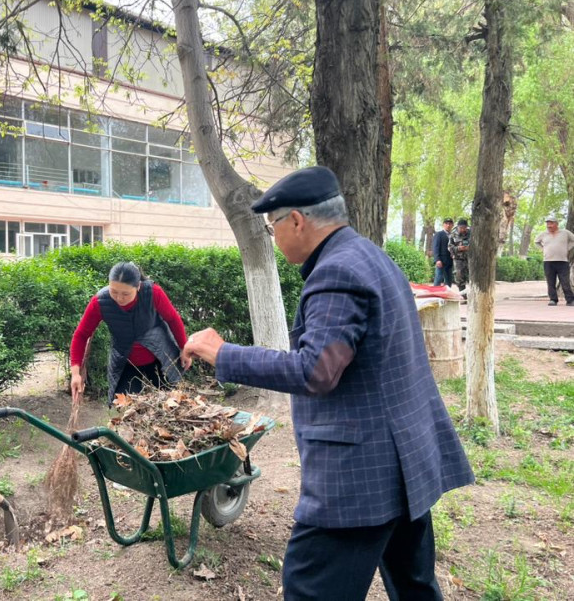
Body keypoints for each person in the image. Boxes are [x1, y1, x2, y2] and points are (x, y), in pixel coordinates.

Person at [184, 166, 473, 601]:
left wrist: (224, 353)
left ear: (297, 221)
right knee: (414, 587)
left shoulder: (336, 272)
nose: (274, 237)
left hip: (360, 477)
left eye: (273, 227)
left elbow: (315, 370)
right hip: (406, 462)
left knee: (310, 588)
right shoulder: (370, 256)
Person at [69, 261, 191, 405]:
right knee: (124, 406)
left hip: (159, 356)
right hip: (126, 360)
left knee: (170, 403)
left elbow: (172, 319)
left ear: (138, 286)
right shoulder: (100, 302)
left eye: (126, 294)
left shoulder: (152, 292)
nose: (119, 298)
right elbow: (81, 334)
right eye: (114, 292)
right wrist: (75, 373)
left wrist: (184, 348)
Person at [535, 215, 574, 306]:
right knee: (550, 282)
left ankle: (570, 300)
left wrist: (568, 248)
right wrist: (542, 249)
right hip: (548, 262)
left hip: (562, 261)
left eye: (551, 224)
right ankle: (553, 299)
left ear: (556, 224)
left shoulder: (565, 233)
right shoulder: (543, 234)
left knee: (565, 282)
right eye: (548, 224)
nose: (549, 226)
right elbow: (536, 242)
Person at [448, 218, 471, 293]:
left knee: (472, 276)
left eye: (464, 228)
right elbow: (449, 247)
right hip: (458, 259)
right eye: (461, 228)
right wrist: (458, 248)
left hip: (470, 258)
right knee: (459, 277)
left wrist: (470, 247)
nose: (463, 230)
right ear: (458, 227)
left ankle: (473, 294)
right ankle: (463, 295)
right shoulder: (453, 234)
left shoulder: (472, 233)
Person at [432, 218, 454, 286]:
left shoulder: (453, 235)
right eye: (446, 223)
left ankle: (447, 292)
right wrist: (437, 260)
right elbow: (435, 248)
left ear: (452, 225)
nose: (448, 225)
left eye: (450, 224)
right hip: (441, 261)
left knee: (449, 281)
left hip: (450, 261)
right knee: (438, 279)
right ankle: (435, 291)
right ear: (443, 225)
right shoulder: (439, 234)